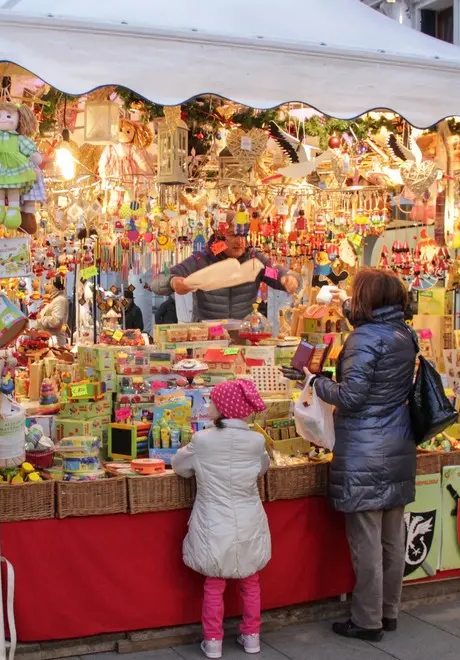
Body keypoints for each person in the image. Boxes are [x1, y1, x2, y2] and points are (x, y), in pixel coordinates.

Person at [308, 268, 417, 642]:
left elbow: (352, 397)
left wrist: (315, 382)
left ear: (368, 297)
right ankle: (388, 612)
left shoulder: (364, 338)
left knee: (367, 539)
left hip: (364, 450)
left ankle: (367, 620)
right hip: (398, 442)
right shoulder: (405, 334)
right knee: (392, 538)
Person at [172, 379, 271, 659]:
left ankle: (213, 641)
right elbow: (262, 468)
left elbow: (179, 467)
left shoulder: (202, 441)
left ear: (225, 408)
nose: (209, 406)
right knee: (250, 581)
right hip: (249, 518)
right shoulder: (256, 441)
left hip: (213, 520)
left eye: (213, 401)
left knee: (213, 583)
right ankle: (252, 637)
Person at [151, 211, 301, 321]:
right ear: (219, 236)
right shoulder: (200, 260)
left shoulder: (254, 260)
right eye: (233, 235)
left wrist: (286, 278)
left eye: (243, 236)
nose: (240, 242)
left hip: (243, 335)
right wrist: (173, 282)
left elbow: (273, 273)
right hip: (209, 337)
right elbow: (157, 282)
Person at [37, 275, 69, 346]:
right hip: (50, 340)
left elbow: (56, 322)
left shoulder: (60, 300)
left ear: (55, 287)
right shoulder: (53, 300)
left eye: (49, 283)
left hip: (56, 341)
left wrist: (42, 319)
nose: (46, 285)